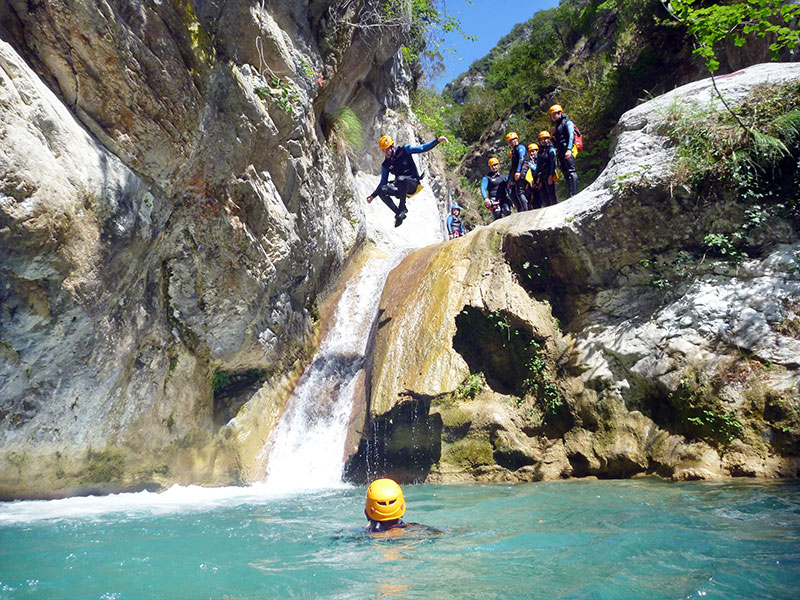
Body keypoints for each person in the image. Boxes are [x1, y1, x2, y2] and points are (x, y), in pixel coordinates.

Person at [367, 134, 449, 227]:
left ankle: (402, 207)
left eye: (387, 149)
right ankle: (399, 213)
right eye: (384, 151)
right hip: (401, 187)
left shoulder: (405, 150)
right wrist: (373, 196)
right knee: (382, 190)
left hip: (412, 184)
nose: (386, 153)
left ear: (392, 146)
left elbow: (422, 148)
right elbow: (382, 183)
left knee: (400, 179)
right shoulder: (385, 165)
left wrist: (437, 141)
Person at [549, 104, 579, 198]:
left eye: (555, 114)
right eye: (552, 115)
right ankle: (571, 193)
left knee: (571, 171)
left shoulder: (567, 122)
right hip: (561, 151)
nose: (553, 116)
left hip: (567, 149)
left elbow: (571, 136)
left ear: (560, 113)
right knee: (566, 173)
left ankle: (574, 193)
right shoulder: (557, 127)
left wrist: (569, 149)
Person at [504, 132, 529, 213]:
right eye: (510, 141)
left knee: (520, 191)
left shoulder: (520, 147)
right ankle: (521, 210)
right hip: (518, 172)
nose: (512, 142)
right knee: (515, 192)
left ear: (517, 139)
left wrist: (518, 171)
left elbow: (521, 159)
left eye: (513, 140)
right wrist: (511, 180)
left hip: (522, 171)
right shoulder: (514, 151)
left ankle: (526, 211)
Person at [535, 131, 558, 207]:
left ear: (549, 139)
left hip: (548, 174)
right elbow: (538, 165)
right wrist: (534, 178)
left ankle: (555, 208)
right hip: (542, 176)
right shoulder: (540, 151)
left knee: (551, 193)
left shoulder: (551, 150)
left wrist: (551, 175)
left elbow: (553, 163)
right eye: (542, 139)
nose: (543, 141)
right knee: (543, 195)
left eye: (545, 139)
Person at [521, 142, 541, 210]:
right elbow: (523, 174)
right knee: (534, 203)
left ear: (537, 151)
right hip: (532, 185)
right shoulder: (526, 163)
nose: (532, 153)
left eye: (533, 151)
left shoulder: (541, 159)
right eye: (530, 152)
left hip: (541, 183)